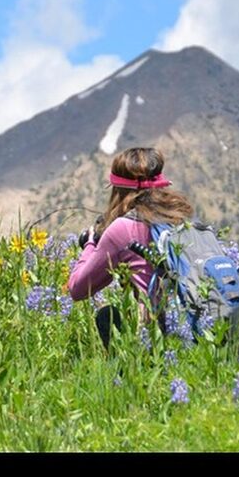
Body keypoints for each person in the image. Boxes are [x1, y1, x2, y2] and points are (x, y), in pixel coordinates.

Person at [67, 146, 194, 349]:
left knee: (106, 315)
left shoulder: (123, 228)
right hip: (202, 325)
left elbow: (78, 289)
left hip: (159, 338)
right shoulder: (182, 220)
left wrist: (91, 243)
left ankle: (125, 373)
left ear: (118, 191)